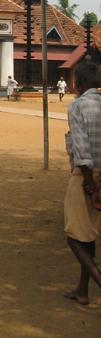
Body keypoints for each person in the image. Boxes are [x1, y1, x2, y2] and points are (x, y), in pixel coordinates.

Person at [62, 60, 101, 306]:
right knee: (89, 235)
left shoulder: (77, 106)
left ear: (80, 83)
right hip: (99, 177)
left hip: (84, 178)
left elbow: (82, 151)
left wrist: (93, 188)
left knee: (73, 236)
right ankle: (82, 290)